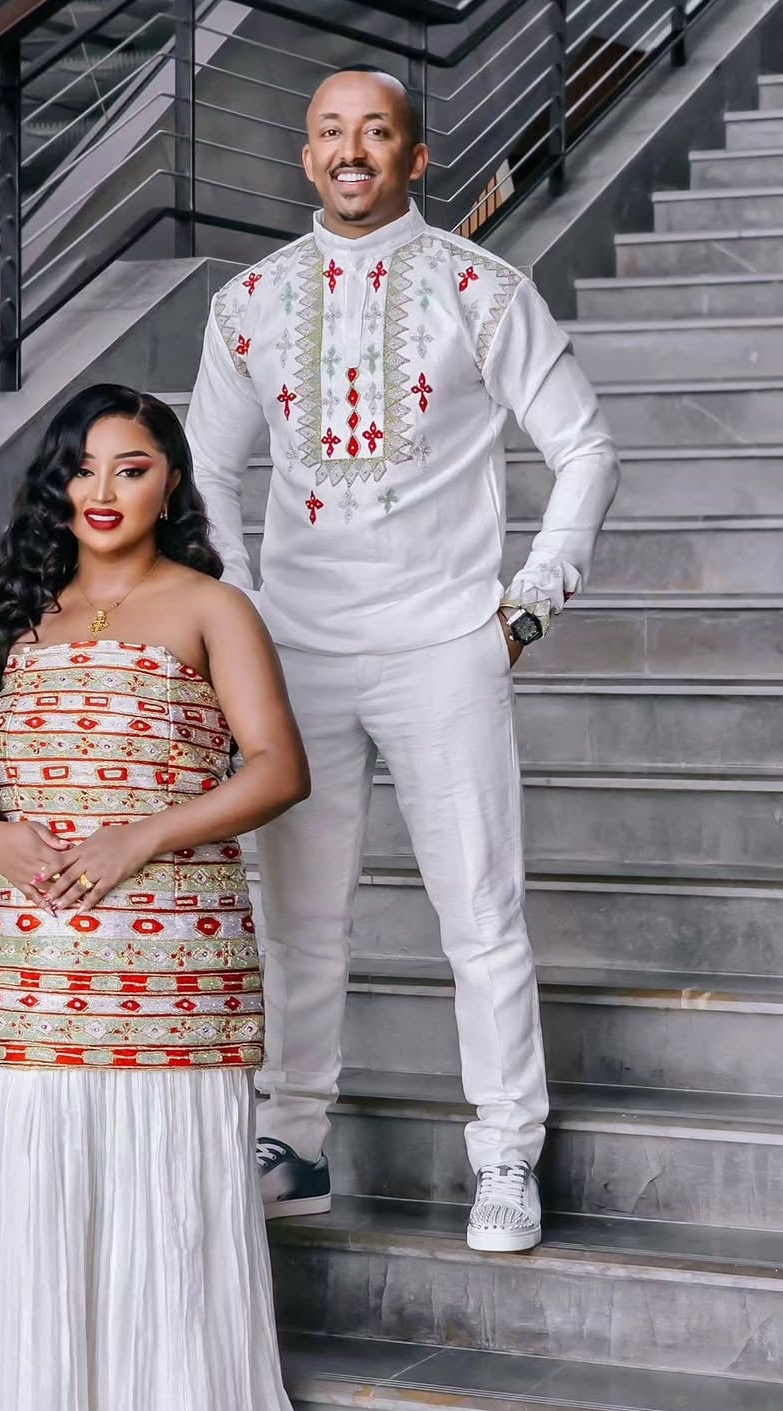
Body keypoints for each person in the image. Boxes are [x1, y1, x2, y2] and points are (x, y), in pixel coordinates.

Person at [185, 65, 620, 1253]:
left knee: (480, 913)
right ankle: (298, 1138)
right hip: (299, 659)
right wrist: (242, 611)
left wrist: (530, 603)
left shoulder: (483, 290)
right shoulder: (253, 304)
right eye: (329, 130)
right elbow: (204, 469)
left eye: (375, 131)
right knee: (301, 919)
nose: (351, 150)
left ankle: (505, 1150)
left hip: (446, 647)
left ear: (416, 156)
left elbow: (584, 445)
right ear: (305, 152)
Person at [0, 384, 309, 1411]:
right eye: (82, 468)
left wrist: (141, 834)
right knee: (29, 1215)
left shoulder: (210, 607)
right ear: (56, 484)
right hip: (40, 974)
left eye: (130, 467)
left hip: (175, 976)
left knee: (165, 1217)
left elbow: (277, 768)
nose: (103, 489)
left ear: (170, 480)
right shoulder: (18, 613)